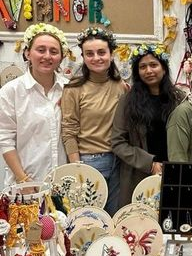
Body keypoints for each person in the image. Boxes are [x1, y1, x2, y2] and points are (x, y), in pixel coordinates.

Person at [61, 27, 127, 216]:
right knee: (89, 219)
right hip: (89, 161)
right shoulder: (74, 88)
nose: (96, 58)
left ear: (111, 55)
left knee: (113, 218)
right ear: (83, 57)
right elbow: (68, 131)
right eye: (89, 54)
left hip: (118, 161)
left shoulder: (120, 85)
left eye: (101, 52)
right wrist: (77, 168)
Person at [111, 43, 184, 207]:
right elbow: (118, 142)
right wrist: (150, 164)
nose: (148, 70)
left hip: (174, 172)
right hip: (138, 174)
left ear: (164, 68)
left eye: (153, 65)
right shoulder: (128, 101)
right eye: (142, 67)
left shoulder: (179, 99)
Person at [0, 23, 68, 187]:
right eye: (41, 50)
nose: (47, 56)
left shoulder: (69, 89)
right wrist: (23, 179)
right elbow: (5, 139)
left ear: (61, 57)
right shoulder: (11, 91)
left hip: (63, 183)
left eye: (54, 51)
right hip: (26, 182)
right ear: (28, 53)